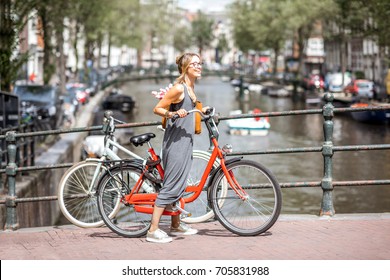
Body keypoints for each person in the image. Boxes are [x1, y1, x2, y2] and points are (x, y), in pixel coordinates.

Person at [148, 53, 207, 243]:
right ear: (186, 68)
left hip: (186, 140)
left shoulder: (190, 87)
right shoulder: (179, 88)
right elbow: (158, 108)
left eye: (200, 63)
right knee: (171, 185)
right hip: (175, 143)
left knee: (180, 183)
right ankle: (153, 230)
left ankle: (175, 225)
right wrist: (173, 114)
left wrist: (202, 110)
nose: (199, 66)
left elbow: (190, 108)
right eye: (195, 64)